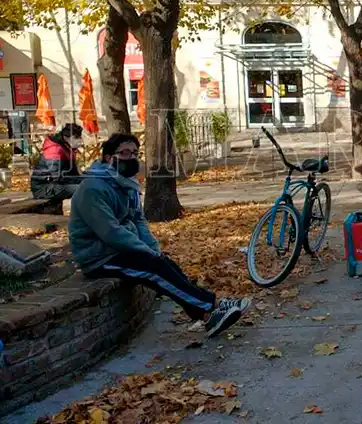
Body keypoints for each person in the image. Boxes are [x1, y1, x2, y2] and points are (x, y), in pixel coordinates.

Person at [68, 133, 251, 338]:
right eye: (125, 153)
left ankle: (210, 312)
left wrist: (152, 248)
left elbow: (138, 220)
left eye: (135, 153)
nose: (131, 158)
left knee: (165, 264)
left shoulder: (126, 183)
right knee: (154, 268)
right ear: (109, 158)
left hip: (118, 250)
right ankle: (211, 307)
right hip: (99, 257)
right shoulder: (93, 188)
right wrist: (144, 251)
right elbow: (110, 232)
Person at [30, 123, 83, 203]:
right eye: (76, 137)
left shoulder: (68, 148)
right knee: (85, 189)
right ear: (66, 138)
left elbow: (73, 174)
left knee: (90, 185)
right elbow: (57, 177)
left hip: (57, 185)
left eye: (79, 137)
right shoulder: (54, 149)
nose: (79, 140)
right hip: (44, 188)